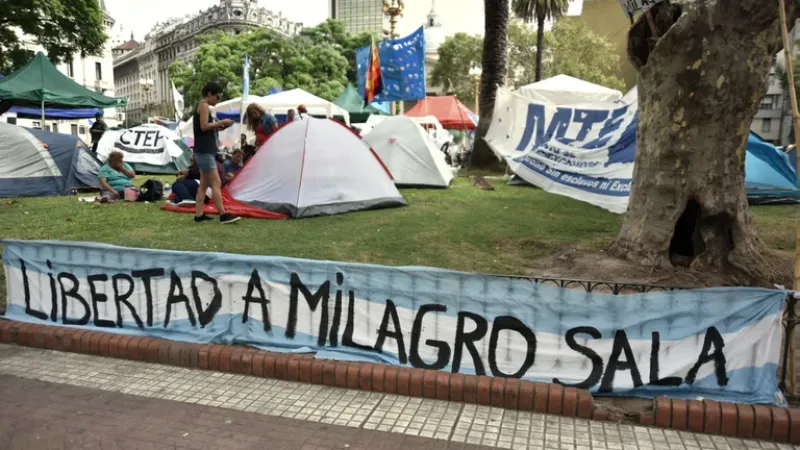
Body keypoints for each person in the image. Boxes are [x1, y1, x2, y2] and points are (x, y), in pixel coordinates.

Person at [193, 81, 240, 224]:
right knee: (216, 182)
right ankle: (223, 214)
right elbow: (204, 126)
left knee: (203, 184)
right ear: (209, 94)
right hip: (204, 151)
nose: (218, 101)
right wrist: (221, 123)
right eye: (217, 97)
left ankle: (199, 214)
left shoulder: (203, 106)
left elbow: (205, 128)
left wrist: (220, 127)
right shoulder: (204, 105)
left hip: (203, 150)